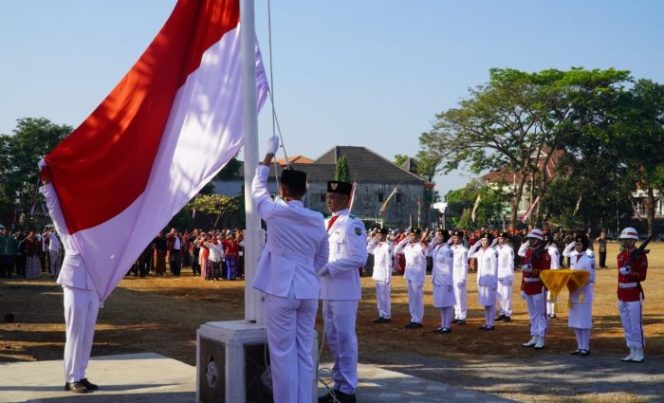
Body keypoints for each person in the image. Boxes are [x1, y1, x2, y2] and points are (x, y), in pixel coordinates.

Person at [252, 137, 329, 403]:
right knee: (304, 352)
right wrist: (307, 272)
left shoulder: (274, 212)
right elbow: (322, 258)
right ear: (305, 191)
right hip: (308, 290)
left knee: (282, 354)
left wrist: (268, 156)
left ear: (282, 188)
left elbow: (256, 189)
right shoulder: (318, 219)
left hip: (281, 289)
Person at [40, 168, 100, 394]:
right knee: (74, 332)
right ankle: (71, 378)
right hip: (75, 282)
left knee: (88, 333)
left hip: (94, 284)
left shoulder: (99, 232)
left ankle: (81, 374)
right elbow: (55, 210)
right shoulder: (68, 230)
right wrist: (47, 184)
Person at [318, 179, 368, 403]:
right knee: (333, 339)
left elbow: (359, 258)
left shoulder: (352, 223)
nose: (330, 200)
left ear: (346, 198)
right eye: (328, 196)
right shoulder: (325, 222)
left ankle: (348, 390)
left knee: (346, 339)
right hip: (326, 290)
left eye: (334, 197)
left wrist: (330, 268)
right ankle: (338, 386)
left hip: (345, 291)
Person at [616, 227, 648, 363]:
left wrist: (631, 272)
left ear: (634, 240)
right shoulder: (621, 255)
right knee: (626, 324)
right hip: (622, 293)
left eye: (628, 239)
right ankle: (631, 350)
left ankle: (639, 350)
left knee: (635, 324)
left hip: (634, 293)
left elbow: (642, 276)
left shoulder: (640, 255)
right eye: (624, 239)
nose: (626, 242)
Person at [562, 234, 595, 356]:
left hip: (584, 293)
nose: (577, 246)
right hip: (574, 293)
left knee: (584, 322)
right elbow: (566, 252)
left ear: (585, 245)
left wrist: (579, 281)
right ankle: (579, 346)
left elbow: (591, 278)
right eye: (576, 244)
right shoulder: (573, 257)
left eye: (579, 244)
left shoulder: (589, 259)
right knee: (575, 322)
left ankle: (585, 347)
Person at [519, 228, 551, 349]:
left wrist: (532, 270)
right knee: (532, 314)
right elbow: (524, 273)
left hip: (539, 286)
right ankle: (534, 335)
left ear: (538, 240)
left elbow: (545, 273)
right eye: (529, 239)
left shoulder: (544, 254)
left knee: (540, 313)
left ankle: (541, 337)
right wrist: (522, 288)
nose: (530, 241)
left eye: (532, 239)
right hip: (528, 286)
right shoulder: (528, 252)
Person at [395, 228, 428, 329]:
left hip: (417, 276)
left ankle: (418, 320)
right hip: (409, 275)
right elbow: (396, 250)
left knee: (417, 299)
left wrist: (421, 277)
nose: (411, 237)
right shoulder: (408, 246)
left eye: (413, 235)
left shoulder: (420, 247)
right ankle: (413, 318)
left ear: (418, 236)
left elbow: (423, 264)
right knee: (412, 299)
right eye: (410, 235)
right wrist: (405, 239)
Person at [468, 232, 498, 330]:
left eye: (485, 240)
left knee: (491, 302)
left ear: (489, 241)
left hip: (489, 280)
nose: (483, 242)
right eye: (482, 240)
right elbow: (469, 254)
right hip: (481, 280)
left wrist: (494, 282)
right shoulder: (480, 251)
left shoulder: (492, 252)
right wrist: (476, 244)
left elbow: (494, 268)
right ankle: (487, 322)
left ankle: (491, 323)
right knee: (485, 303)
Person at [427, 229, 455, 334]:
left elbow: (449, 267)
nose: (438, 238)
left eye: (440, 236)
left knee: (447, 303)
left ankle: (447, 326)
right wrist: (432, 241)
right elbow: (427, 251)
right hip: (437, 279)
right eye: (437, 236)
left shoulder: (448, 250)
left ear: (445, 237)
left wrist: (449, 282)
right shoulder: (436, 248)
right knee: (441, 303)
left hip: (445, 280)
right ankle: (443, 324)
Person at [367, 227, 393, 323]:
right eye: (378, 234)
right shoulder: (377, 246)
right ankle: (381, 314)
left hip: (384, 274)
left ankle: (387, 315)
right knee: (379, 296)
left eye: (380, 235)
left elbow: (388, 263)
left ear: (385, 235)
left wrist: (387, 276)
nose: (379, 236)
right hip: (377, 273)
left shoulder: (387, 246)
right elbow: (368, 249)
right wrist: (374, 239)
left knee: (385, 296)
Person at [495, 231, 515, 322]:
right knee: (499, 295)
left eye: (502, 239)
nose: (500, 240)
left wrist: (510, 276)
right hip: (497, 275)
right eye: (499, 239)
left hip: (506, 275)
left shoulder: (508, 249)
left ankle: (507, 314)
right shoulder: (496, 249)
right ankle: (502, 313)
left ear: (506, 240)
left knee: (506, 295)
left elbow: (511, 264)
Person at [450, 230, 468, 325]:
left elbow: (465, 265)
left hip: (459, 275)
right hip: (452, 275)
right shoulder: (451, 249)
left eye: (456, 237)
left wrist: (463, 278)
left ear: (461, 239)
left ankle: (462, 316)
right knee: (454, 296)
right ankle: (457, 315)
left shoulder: (463, 250)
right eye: (453, 237)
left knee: (461, 296)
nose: (454, 239)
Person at [545, 235, 561, 319]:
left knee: (552, 294)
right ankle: (548, 311)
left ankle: (552, 312)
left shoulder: (553, 250)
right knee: (547, 294)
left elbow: (555, 263)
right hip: (545, 274)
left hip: (552, 273)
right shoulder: (545, 250)